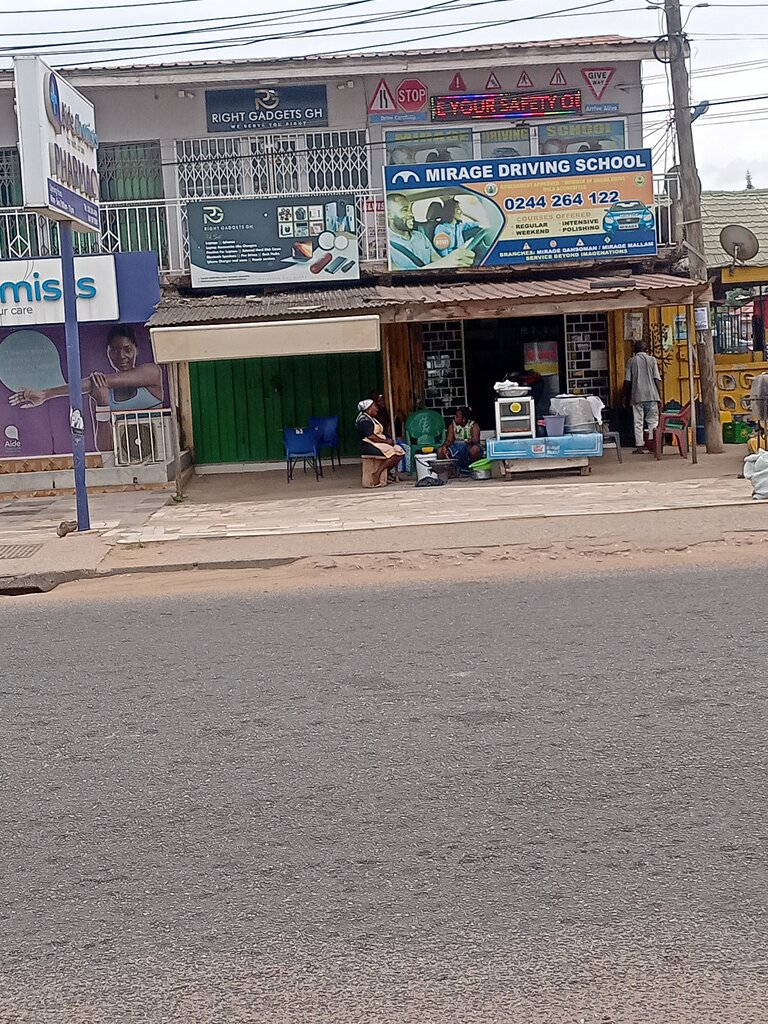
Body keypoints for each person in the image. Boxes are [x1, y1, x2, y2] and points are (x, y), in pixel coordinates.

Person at [10, 324, 163, 452]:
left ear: (137, 349)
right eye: (114, 350)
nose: (121, 356)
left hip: (161, 456)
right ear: (107, 352)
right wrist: (103, 404)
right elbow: (104, 448)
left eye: (127, 349)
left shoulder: (152, 372)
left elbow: (104, 381)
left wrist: (46, 394)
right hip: (123, 465)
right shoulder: (99, 394)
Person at [386, 194, 476, 271]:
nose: (411, 214)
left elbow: (437, 259)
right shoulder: (385, 246)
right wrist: (446, 262)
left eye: (410, 210)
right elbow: (398, 278)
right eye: (405, 210)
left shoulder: (420, 236)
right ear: (389, 214)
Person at [623, 340, 662, 454]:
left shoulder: (631, 361)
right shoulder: (652, 360)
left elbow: (627, 381)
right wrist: (659, 396)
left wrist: (624, 396)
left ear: (634, 350)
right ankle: (652, 443)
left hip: (637, 395)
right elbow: (656, 379)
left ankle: (640, 446)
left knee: (638, 421)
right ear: (646, 349)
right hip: (652, 395)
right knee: (653, 421)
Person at [356, 398, 404, 486]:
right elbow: (371, 437)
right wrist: (386, 441)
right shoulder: (364, 421)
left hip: (378, 444)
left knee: (399, 452)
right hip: (368, 445)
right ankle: (377, 474)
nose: (377, 409)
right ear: (368, 409)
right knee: (393, 454)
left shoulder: (372, 418)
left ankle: (385, 473)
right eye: (374, 406)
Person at [439, 406, 482, 472]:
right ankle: (450, 471)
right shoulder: (452, 425)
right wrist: (444, 446)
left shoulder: (474, 425)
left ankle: (472, 468)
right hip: (456, 448)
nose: (455, 418)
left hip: (469, 447)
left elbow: (476, 440)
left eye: (457, 417)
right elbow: (449, 440)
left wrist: (470, 441)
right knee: (440, 451)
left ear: (464, 419)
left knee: (475, 450)